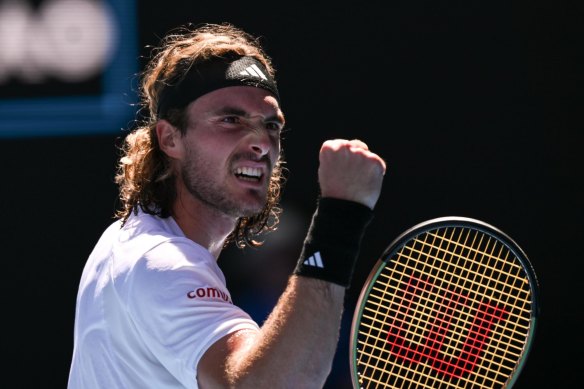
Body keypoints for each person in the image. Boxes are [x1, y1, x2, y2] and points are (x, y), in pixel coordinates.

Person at [68, 22, 386, 389]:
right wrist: (341, 216)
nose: (261, 142)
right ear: (170, 139)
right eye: (231, 120)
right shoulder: (158, 262)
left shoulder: (130, 239)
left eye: (271, 125)